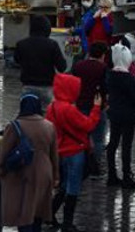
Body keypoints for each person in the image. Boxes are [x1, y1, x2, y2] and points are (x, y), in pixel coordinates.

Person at [47, 73, 102, 232]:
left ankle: (50, 214)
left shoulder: (52, 107)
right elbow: (88, 125)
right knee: (73, 187)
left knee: (63, 185)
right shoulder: (69, 109)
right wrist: (96, 108)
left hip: (59, 151)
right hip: (74, 152)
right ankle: (67, 222)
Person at [0, 94, 59, 232]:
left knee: (23, 213)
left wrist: (1, 170)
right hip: (44, 173)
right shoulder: (49, 126)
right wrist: (55, 176)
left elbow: (4, 152)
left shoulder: (14, 126)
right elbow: (54, 154)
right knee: (37, 212)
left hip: (21, 173)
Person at [105, 43, 135, 189]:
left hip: (114, 113)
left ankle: (111, 174)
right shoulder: (129, 79)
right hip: (128, 115)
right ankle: (127, 175)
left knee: (113, 143)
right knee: (126, 145)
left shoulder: (110, 75)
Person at [14, 15, 67, 109]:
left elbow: (16, 60)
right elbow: (62, 67)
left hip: (28, 86)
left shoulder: (21, 44)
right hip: (47, 88)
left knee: (27, 116)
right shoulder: (52, 45)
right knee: (47, 118)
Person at [72, 42, 109, 175]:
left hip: (80, 105)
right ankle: (94, 167)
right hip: (97, 106)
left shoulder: (78, 66)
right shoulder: (103, 68)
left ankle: (80, 165)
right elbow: (105, 87)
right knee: (98, 138)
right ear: (103, 55)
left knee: (81, 137)